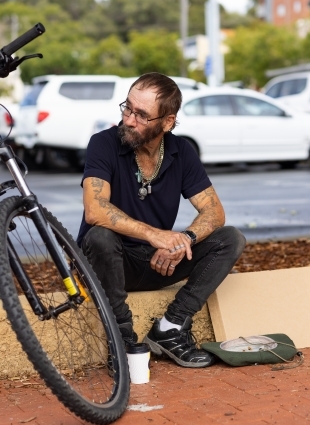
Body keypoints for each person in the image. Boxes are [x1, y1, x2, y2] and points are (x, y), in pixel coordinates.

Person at [77, 72, 246, 368]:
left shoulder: (182, 152)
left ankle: (170, 328)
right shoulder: (103, 143)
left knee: (230, 239)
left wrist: (183, 241)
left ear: (167, 122)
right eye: (127, 108)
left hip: (158, 261)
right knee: (99, 236)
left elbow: (214, 212)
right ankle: (122, 340)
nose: (129, 120)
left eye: (142, 115)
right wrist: (155, 235)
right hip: (108, 263)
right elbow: (95, 209)